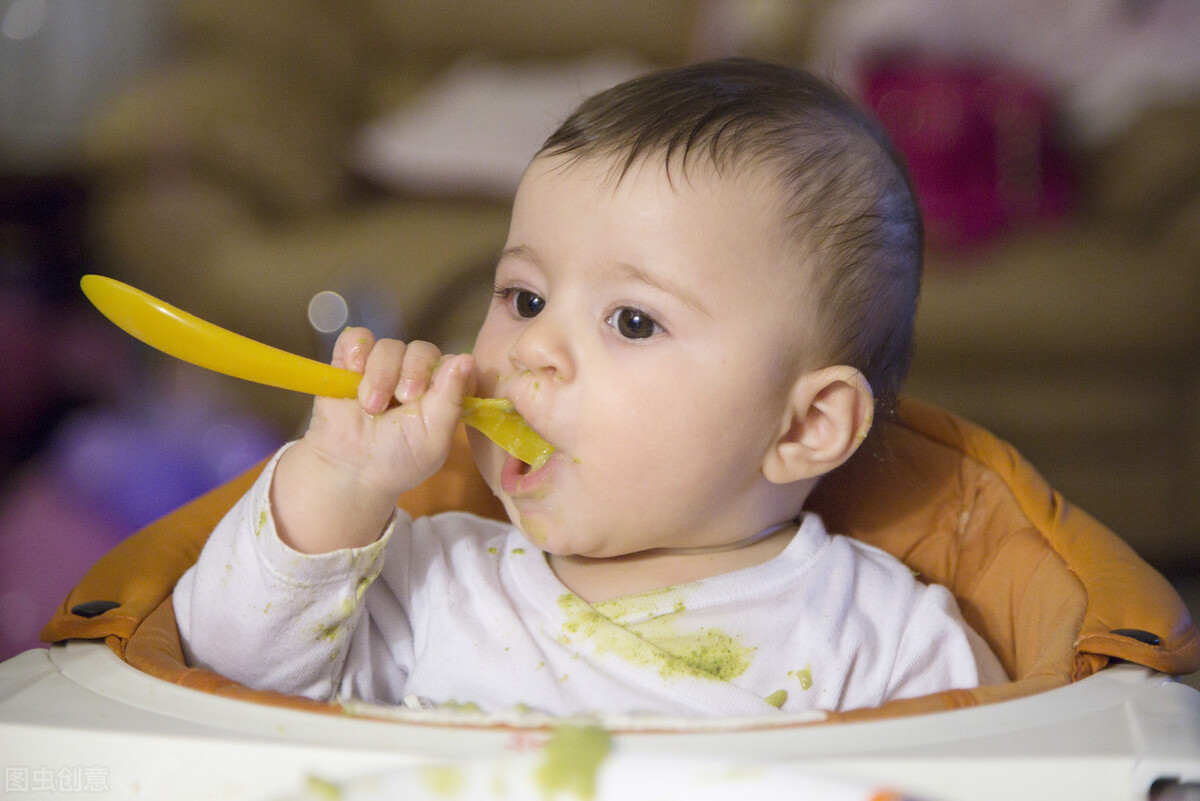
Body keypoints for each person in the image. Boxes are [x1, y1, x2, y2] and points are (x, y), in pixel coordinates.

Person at [175, 58, 1005, 717]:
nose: (533, 345)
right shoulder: (432, 581)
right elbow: (224, 668)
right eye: (524, 298)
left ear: (804, 427)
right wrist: (338, 479)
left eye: (633, 321)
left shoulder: (881, 641)